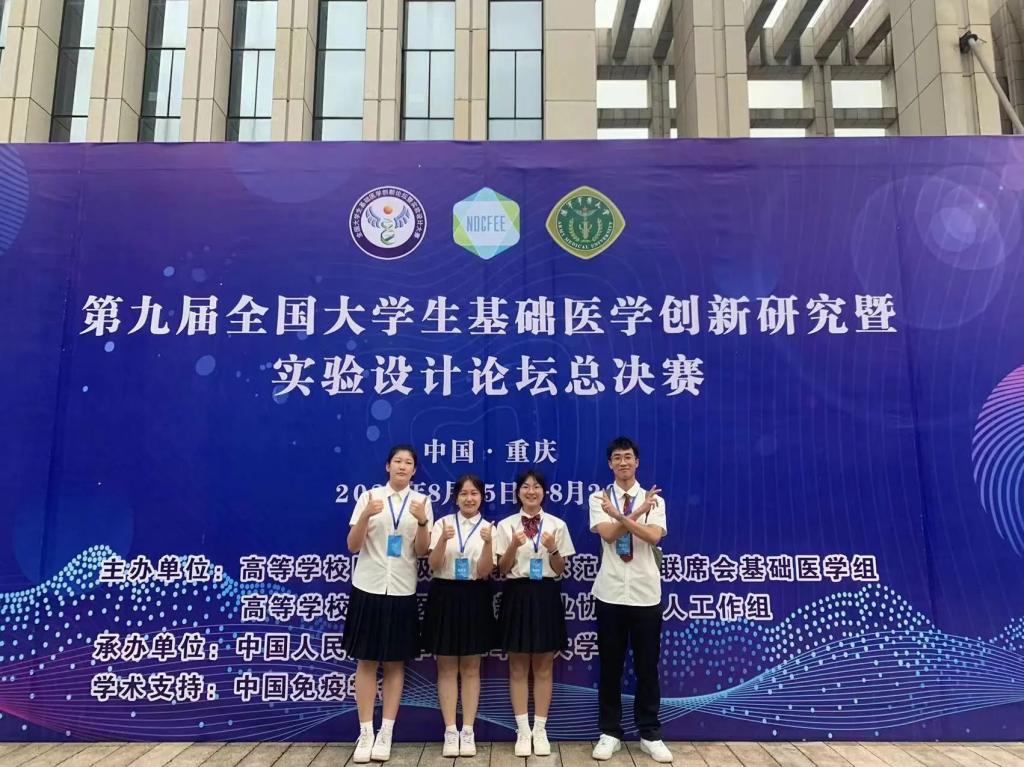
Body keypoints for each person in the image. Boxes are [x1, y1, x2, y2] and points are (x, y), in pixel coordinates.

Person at [344, 444, 434, 763]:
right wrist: (366, 515)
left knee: (395, 663)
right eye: (397, 461)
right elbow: (353, 545)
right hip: (368, 586)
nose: (402, 466)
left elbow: (422, 552)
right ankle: (365, 731)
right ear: (387, 466)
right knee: (367, 661)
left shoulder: (422, 502)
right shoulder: (369, 498)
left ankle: (386, 732)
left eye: (408, 463)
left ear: (414, 470)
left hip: (401, 589)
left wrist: (422, 523)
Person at [588, 437, 672, 763]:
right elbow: (609, 535)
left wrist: (622, 516)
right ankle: (610, 733)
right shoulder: (599, 498)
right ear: (609, 464)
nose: (623, 462)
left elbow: (653, 536)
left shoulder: (655, 499)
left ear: (637, 462)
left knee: (647, 667)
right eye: (617, 458)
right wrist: (636, 513)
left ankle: (650, 734)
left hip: (645, 594)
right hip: (610, 593)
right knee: (610, 666)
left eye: (628, 457)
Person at [494, 469, 575, 757]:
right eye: (526, 487)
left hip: (545, 595)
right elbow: (501, 569)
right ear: (518, 493)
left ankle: (540, 729)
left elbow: (560, 570)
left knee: (543, 667)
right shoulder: (505, 525)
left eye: (537, 486)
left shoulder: (557, 525)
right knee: (517, 667)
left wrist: (553, 550)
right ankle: (522, 730)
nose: (531, 491)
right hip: (516, 593)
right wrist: (513, 546)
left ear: (544, 492)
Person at [422, 474, 497, 757]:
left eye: (474, 493)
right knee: (446, 667)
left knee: (471, 667)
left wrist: (488, 544)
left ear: (481, 498)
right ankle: (450, 731)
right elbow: (433, 564)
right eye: (464, 493)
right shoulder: (442, 524)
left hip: (475, 596)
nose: (469, 498)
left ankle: (468, 730)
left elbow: (485, 571)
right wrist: (442, 540)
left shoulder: (490, 528)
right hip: (444, 594)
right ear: (455, 498)